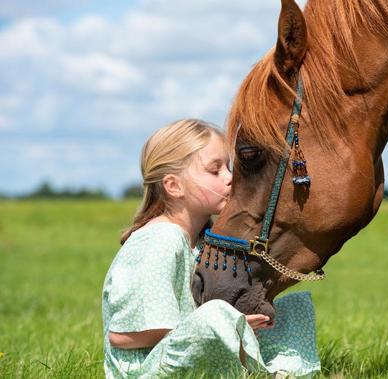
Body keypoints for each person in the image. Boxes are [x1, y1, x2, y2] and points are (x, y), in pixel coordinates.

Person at [102, 119, 321, 378]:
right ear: (174, 186)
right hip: (147, 370)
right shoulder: (160, 239)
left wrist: (242, 322)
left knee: (292, 310)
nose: (230, 178)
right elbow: (123, 336)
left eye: (228, 167)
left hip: (188, 357)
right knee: (216, 315)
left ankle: (281, 372)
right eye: (215, 170)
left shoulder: (206, 238)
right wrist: (224, 325)